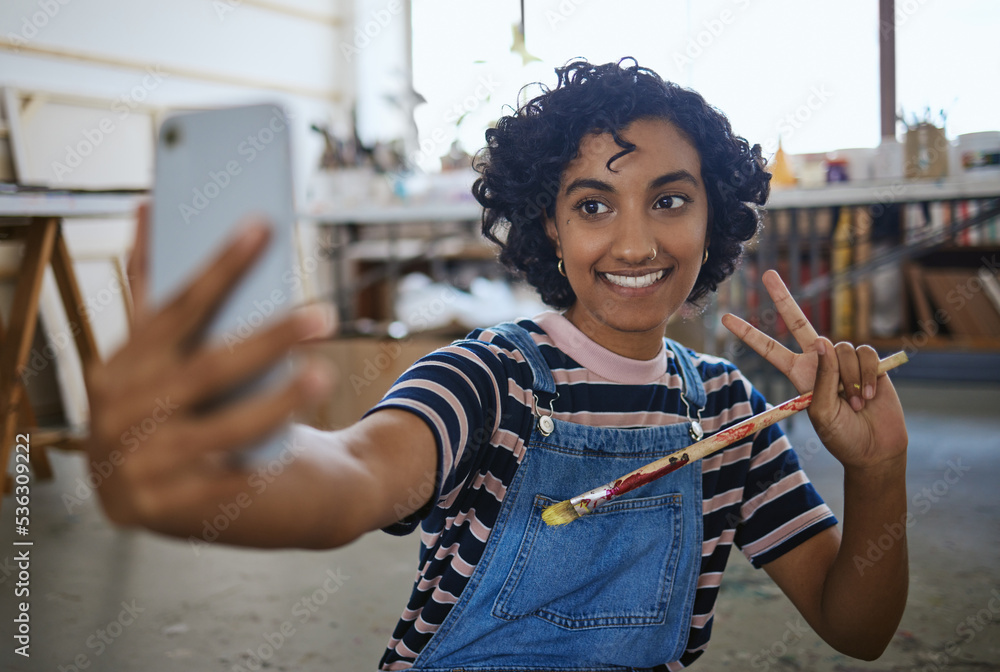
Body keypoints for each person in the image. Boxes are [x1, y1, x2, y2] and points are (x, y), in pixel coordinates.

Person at [85, 59, 908, 670]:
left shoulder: (735, 414)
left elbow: (857, 629)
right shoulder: (486, 379)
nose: (634, 242)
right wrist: (226, 471)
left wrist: (880, 470)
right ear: (548, 227)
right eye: (592, 204)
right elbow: (353, 475)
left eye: (669, 199)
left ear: (713, 215)